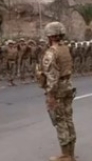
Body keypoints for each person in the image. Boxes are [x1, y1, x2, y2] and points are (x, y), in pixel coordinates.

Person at [37, 21, 76, 161]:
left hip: (58, 88)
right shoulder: (65, 49)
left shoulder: (51, 52)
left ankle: (66, 155)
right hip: (68, 85)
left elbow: (52, 77)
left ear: (51, 36)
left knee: (60, 121)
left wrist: (50, 95)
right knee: (68, 119)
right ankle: (71, 154)